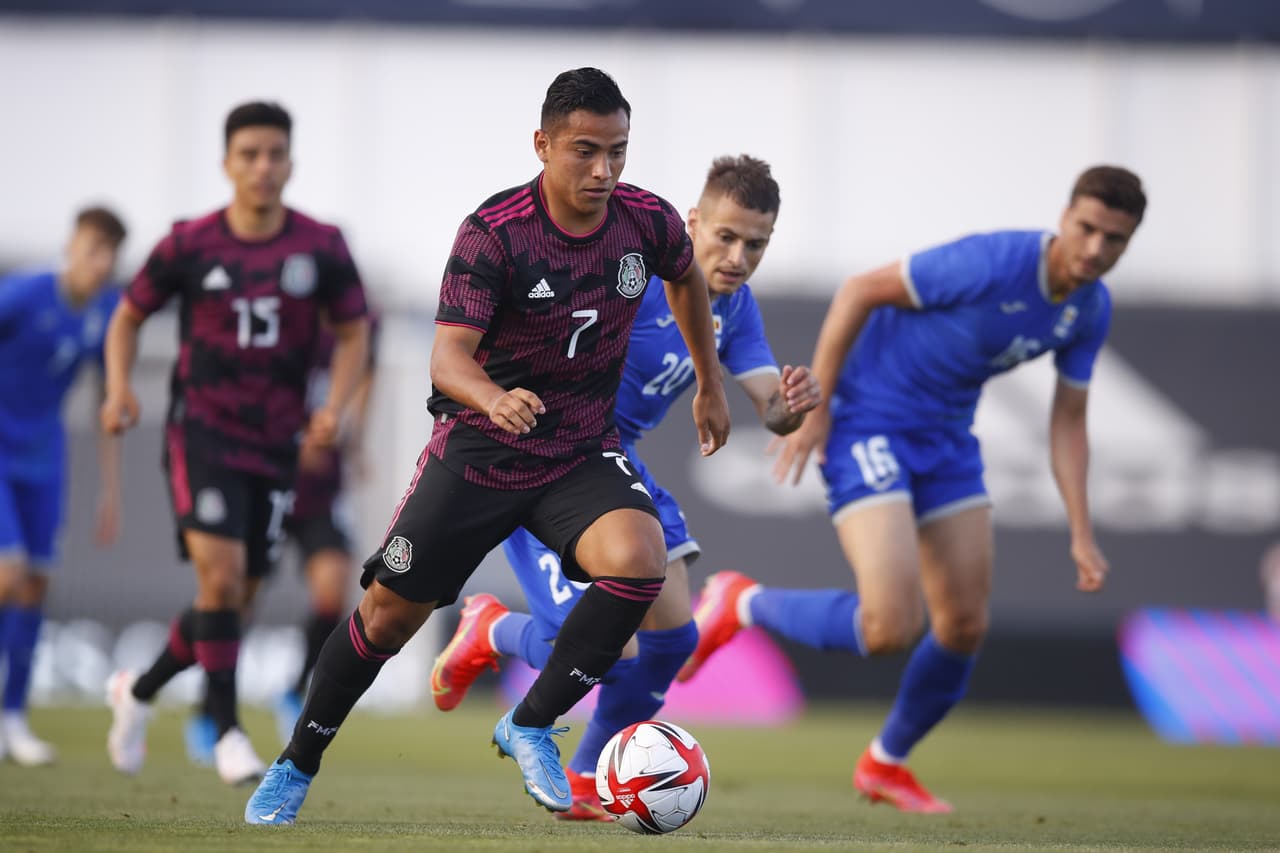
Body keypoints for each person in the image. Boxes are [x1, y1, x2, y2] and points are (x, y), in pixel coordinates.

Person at [244, 66, 731, 825]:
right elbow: (447, 358)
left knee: (640, 560)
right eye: (584, 151)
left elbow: (686, 278)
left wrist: (709, 380)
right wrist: (494, 396)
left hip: (577, 449)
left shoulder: (649, 222)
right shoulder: (496, 232)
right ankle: (296, 761)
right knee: (385, 619)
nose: (604, 170)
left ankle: (530, 722)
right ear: (542, 145)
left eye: (618, 151)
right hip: (480, 451)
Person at [678, 166, 1146, 813]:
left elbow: (1068, 420)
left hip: (949, 441)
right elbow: (860, 290)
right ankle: (740, 603)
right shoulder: (993, 260)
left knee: (963, 624)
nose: (1095, 248)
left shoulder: (1089, 309)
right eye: (1088, 228)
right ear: (1065, 217)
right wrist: (822, 403)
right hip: (871, 420)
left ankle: (885, 762)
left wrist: (1083, 531)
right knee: (891, 623)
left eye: (1114, 239)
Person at [428, 154, 820, 819]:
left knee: (672, 641)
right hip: (544, 463)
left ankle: (585, 777)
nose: (737, 256)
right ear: (692, 222)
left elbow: (768, 403)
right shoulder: (631, 278)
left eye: (756, 244)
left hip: (617, 465)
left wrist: (791, 402)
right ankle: (491, 629)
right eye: (724, 236)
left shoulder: (736, 308)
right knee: (600, 648)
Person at [101, 101, 370, 786]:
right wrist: (118, 387)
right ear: (227, 163)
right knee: (218, 581)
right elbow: (128, 317)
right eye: (249, 153)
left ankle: (137, 689)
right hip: (204, 432)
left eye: (275, 153)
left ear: (291, 162)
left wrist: (334, 409)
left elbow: (353, 332)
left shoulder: (320, 244)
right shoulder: (189, 243)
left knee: (235, 600)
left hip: (277, 443)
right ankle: (225, 729)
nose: (262, 166)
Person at [183, 315, 381, 765]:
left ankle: (293, 689)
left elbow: (367, 369)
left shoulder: (360, 320)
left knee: (334, 587)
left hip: (320, 487)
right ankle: (210, 710)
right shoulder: (281, 308)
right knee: (236, 600)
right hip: (265, 474)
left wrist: (353, 438)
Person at [0, 206, 127, 766]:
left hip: (44, 459)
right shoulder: (23, 294)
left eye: (108, 254)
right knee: (8, 573)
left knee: (35, 586)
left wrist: (110, 491)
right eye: (90, 249)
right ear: (71, 246)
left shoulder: (105, 313)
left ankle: (13, 718)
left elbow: (110, 402)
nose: (97, 263)